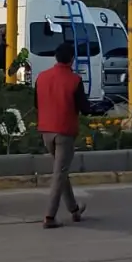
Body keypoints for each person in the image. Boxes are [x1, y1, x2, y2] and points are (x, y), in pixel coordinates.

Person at [35, 41, 92, 228]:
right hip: (65, 132)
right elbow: (84, 107)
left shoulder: (41, 78)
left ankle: (74, 210)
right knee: (59, 174)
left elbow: (36, 103)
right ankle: (50, 217)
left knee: (62, 171)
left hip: (46, 131)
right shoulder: (74, 80)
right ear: (72, 59)